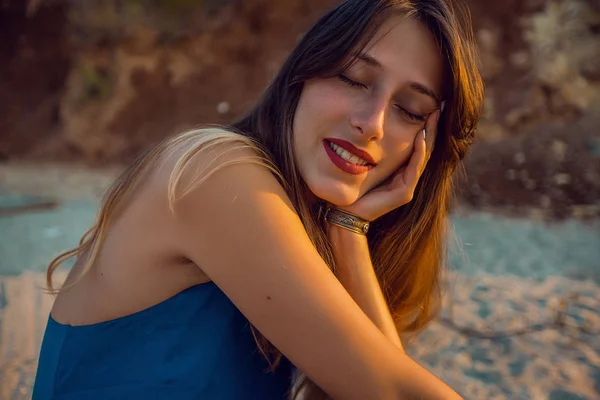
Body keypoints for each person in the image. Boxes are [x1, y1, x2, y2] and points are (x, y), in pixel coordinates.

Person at [33, 0, 484, 398]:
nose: (373, 123)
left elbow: (380, 378)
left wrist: (349, 233)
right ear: (304, 74)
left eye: (410, 110)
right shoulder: (215, 172)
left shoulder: (301, 219)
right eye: (353, 78)